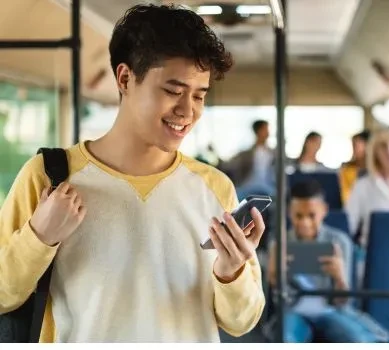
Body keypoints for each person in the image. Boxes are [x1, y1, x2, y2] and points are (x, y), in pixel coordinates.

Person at [0, 4, 265, 342]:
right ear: (125, 78)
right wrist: (40, 237)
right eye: (173, 91)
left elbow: (242, 322)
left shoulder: (214, 188)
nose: (187, 111)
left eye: (199, 96)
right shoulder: (49, 176)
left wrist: (231, 273)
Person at [266, 181, 389, 343]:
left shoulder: (339, 241)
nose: (305, 223)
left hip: (331, 311)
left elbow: (343, 301)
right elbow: (275, 302)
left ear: (323, 211)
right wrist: (274, 276)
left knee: (358, 340)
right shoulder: (278, 243)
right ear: (290, 212)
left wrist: (339, 278)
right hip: (293, 311)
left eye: (311, 216)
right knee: (286, 339)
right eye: (299, 216)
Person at [224, 120, 275, 199]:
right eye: (265, 129)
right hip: (248, 186)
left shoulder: (273, 153)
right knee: (234, 198)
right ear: (258, 131)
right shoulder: (245, 154)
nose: (268, 133)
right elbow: (229, 165)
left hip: (268, 188)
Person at [339, 130, 371, 204]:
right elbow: (344, 196)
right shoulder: (346, 169)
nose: (353, 149)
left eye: (355, 145)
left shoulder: (378, 171)